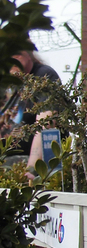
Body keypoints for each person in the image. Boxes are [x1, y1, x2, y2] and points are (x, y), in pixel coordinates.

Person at [2, 47, 61, 178]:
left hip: (29, 162)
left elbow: (45, 125)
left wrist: (30, 171)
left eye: (17, 54)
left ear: (29, 53)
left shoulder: (43, 76)